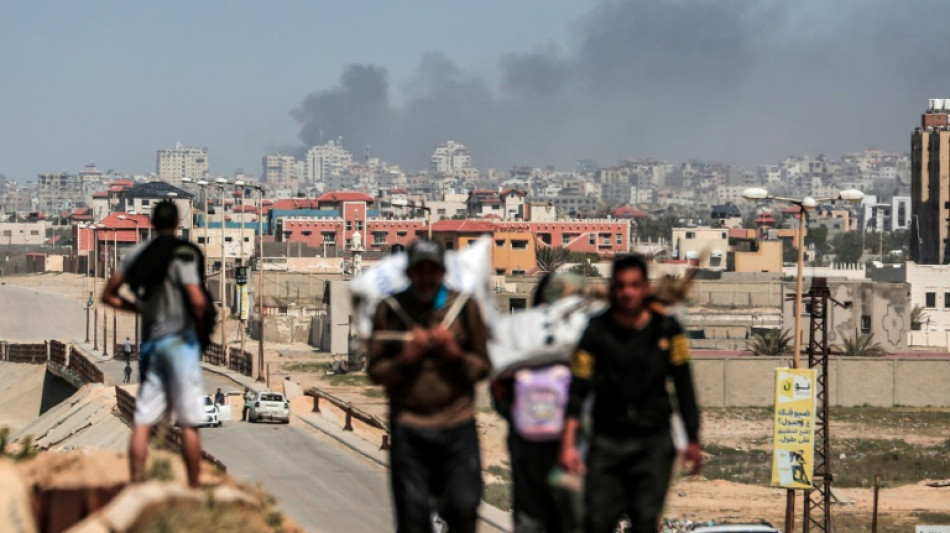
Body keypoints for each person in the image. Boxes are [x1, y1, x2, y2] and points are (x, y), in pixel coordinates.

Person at [560, 255, 703, 533]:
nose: (628, 292)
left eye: (635, 285)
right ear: (612, 289)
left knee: (645, 520)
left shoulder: (667, 330)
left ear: (646, 288)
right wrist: (568, 443)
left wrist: (693, 438)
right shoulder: (595, 331)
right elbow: (578, 388)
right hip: (607, 443)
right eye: (622, 286)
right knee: (597, 521)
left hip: (652, 443)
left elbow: (684, 385)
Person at [367, 239, 492, 533]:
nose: (426, 278)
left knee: (463, 507)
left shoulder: (463, 307)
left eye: (432, 270)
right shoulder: (391, 310)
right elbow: (376, 371)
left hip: (456, 426)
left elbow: (483, 367)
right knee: (412, 518)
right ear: (409, 273)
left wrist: (454, 354)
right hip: (410, 428)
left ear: (443, 272)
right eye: (419, 271)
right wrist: (405, 360)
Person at [100, 200, 208, 488]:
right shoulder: (183, 255)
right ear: (177, 224)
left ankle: (137, 483)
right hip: (180, 342)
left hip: (152, 343)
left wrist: (137, 309)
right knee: (189, 422)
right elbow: (197, 299)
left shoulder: (137, 254)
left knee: (143, 421)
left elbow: (109, 294)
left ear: (152, 223)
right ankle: (194, 487)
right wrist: (198, 325)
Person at [490, 272, 584, 533]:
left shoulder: (519, 338)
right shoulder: (583, 338)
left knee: (531, 518)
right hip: (572, 446)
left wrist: (519, 416)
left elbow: (498, 390)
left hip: (528, 443)